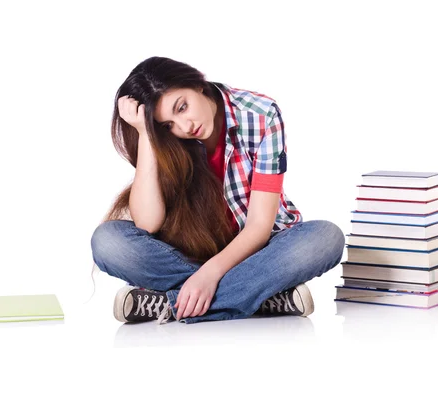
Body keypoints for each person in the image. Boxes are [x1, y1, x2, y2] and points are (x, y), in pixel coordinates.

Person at [90, 56, 344, 324]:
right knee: (107, 241)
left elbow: (259, 225)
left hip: (259, 250)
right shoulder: (165, 140)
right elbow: (147, 223)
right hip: (193, 252)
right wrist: (146, 134)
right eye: (168, 125)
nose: (185, 127)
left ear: (198, 82)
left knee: (326, 238)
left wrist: (209, 275)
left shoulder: (260, 113)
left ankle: (169, 304)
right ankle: (259, 296)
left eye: (182, 107)